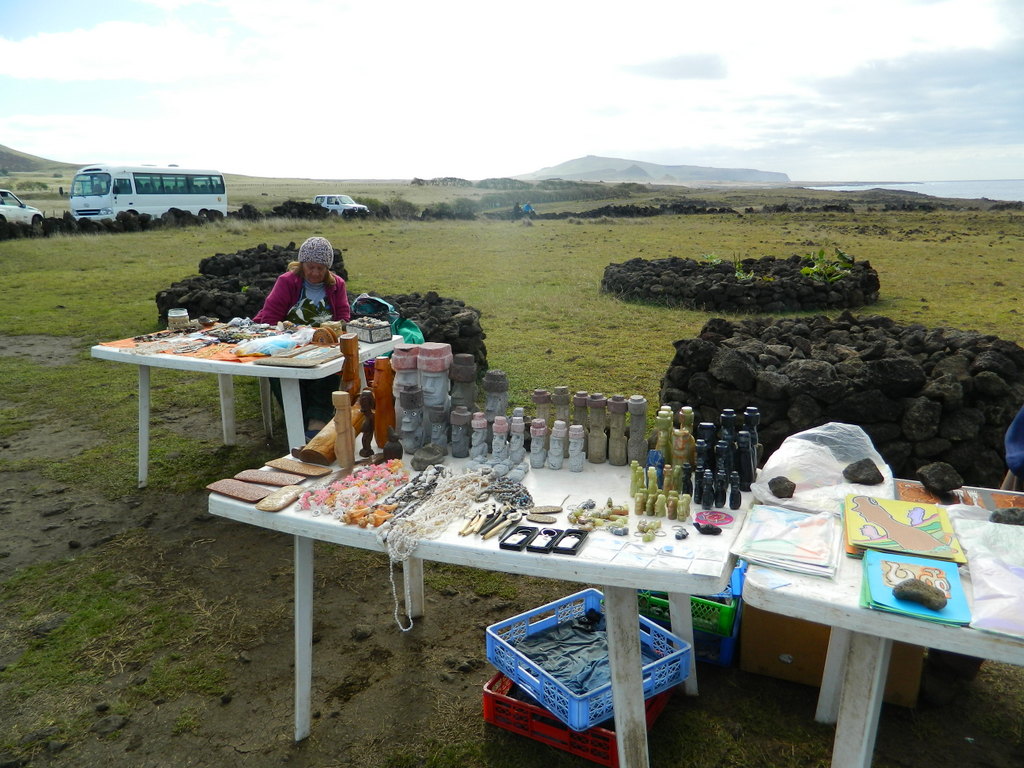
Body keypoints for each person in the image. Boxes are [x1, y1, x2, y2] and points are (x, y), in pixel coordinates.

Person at [254, 236, 351, 436]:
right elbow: (270, 319)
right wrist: (296, 334)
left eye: (321, 268)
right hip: (287, 342)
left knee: (329, 368)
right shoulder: (287, 282)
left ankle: (317, 420)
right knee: (279, 370)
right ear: (302, 264)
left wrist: (330, 332)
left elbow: (343, 318)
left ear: (328, 268)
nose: (315, 273)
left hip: (323, 345)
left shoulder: (336, 285)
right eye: (311, 267)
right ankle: (298, 419)